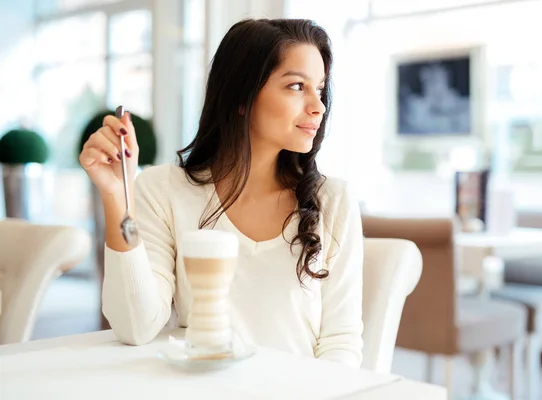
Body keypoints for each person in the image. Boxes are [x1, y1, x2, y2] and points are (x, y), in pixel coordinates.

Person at [78, 18, 364, 367]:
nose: (318, 106)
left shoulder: (332, 202)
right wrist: (116, 198)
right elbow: (135, 326)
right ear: (241, 97)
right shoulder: (162, 190)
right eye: (296, 86)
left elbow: (341, 343)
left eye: (319, 89)